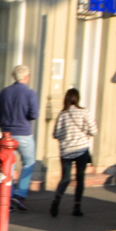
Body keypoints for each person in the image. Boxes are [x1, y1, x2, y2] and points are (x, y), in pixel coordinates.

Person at [0, 64, 39, 210]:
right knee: (29, 162)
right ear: (26, 77)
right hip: (24, 133)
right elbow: (34, 115)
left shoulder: (4, 92)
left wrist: (4, 127)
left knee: (8, 166)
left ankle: (8, 195)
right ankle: (20, 195)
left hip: (7, 135)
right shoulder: (30, 93)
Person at [50, 88, 96, 217]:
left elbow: (56, 134)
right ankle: (77, 206)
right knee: (80, 178)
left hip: (66, 151)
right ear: (77, 99)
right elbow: (94, 131)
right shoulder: (84, 112)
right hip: (81, 150)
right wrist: (84, 131)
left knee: (65, 178)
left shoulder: (62, 114)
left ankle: (57, 199)